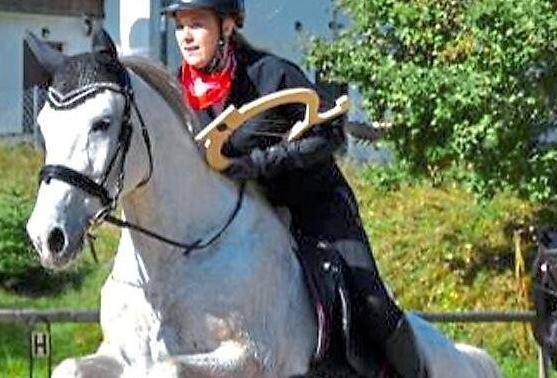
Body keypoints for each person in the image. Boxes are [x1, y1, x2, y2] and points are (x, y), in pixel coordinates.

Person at [161, 1, 427, 377]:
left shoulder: (273, 75)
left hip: (315, 203)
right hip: (248, 216)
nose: (186, 36)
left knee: (374, 302)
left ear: (226, 28)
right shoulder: (179, 95)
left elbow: (330, 137)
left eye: (197, 25)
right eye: (180, 26)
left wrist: (260, 164)